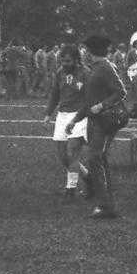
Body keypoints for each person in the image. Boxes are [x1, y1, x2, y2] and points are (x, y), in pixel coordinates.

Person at [79, 34, 126, 220]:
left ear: (91, 51)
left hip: (103, 121)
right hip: (94, 121)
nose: (84, 53)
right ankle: (105, 201)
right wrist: (77, 119)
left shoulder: (105, 67)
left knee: (94, 159)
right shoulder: (95, 68)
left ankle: (105, 205)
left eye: (86, 50)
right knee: (98, 159)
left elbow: (120, 91)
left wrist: (102, 106)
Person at [45, 44, 90, 200]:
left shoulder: (85, 73)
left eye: (68, 61)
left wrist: (81, 116)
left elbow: (90, 98)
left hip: (79, 116)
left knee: (72, 152)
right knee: (63, 156)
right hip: (62, 116)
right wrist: (48, 113)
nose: (65, 64)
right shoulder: (60, 73)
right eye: (62, 61)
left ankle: (70, 190)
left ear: (76, 60)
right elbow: (55, 94)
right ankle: (88, 178)